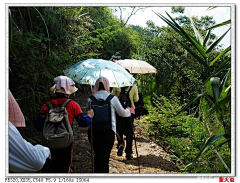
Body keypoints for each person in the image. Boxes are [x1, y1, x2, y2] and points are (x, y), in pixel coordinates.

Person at [35, 75, 94, 173]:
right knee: (64, 168)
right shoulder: (72, 105)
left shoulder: (46, 105)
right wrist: (89, 116)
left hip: (49, 142)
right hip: (66, 143)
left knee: (50, 168)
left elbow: (38, 126)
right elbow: (83, 122)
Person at [86, 77, 131, 173]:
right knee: (105, 158)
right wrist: (129, 111)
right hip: (108, 132)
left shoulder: (90, 99)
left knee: (97, 155)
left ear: (96, 86)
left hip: (93, 132)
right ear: (107, 85)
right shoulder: (112, 98)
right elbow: (122, 113)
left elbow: (88, 113)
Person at [8, 90, 51, 173]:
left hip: (48, 137)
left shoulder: (47, 105)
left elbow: (39, 124)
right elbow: (35, 162)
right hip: (65, 140)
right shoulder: (72, 104)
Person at [111, 75, 139, 160]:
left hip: (119, 111)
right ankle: (128, 153)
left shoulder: (117, 85)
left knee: (119, 129)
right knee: (129, 132)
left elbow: (112, 97)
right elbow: (136, 99)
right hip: (130, 111)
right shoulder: (134, 86)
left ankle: (120, 143)